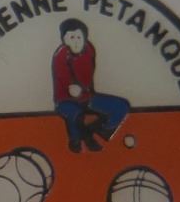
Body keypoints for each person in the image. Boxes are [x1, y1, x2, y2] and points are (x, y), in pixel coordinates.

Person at [50, 18, 130, 153]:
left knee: (121, 106)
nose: (76, 41)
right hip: (65, 101)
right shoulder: (61, 55)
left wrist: (84, 91)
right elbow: (64, 79)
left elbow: (88, 74)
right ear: (64, 39)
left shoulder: (89, 49)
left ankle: (97, 130)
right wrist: (73, 87)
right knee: (76, 114)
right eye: (71, 37)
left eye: (79, 37)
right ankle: (76, 140)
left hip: (87, 98)